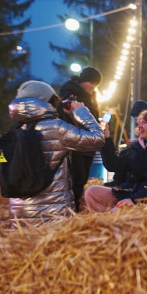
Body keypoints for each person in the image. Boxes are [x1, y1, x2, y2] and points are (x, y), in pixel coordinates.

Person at [8, 80, 106, 224]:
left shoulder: (14, 131)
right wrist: (80, 112)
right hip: (53, 213)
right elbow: (97, 139)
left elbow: (2, 162)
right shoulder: (56, 128)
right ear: (47, 100)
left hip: (19, 215)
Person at [84, 110, 147, 213]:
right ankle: (101, 223)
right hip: (131, 191)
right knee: (92, 192)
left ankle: (110, 223)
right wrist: (106, 138)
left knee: (116, 212)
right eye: (139, 123)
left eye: (145, 123)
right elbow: (113, 165)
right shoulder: (137, 146)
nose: (140, 126)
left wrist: (135, 200)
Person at [57, 67, 102, 209]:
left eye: (96, 84)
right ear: (83, 81)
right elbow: (64, 116)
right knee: (74, 178)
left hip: (87, 145)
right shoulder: (69, 94)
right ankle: (70, 209)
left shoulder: (90, 97)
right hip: (74, 145)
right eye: (92, 82)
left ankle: (75, 207)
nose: (94, 87)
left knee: (81, 179)